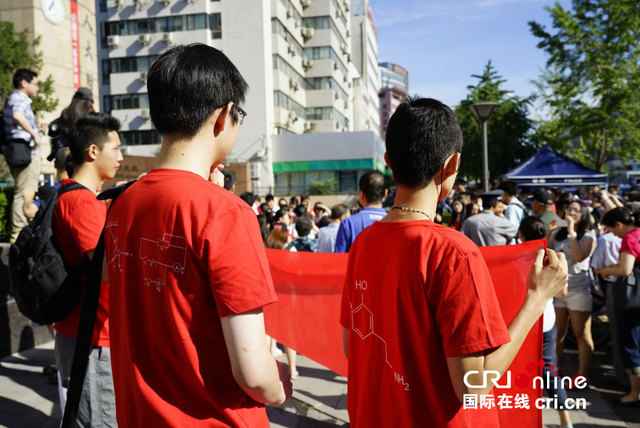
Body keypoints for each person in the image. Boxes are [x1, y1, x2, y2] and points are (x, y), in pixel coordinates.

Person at [340, 97, 568, 427]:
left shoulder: (364, 243)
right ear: (451, 165)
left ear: (389, 161)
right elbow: (472, 389)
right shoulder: (453, 253)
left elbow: (352, 347)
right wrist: (537, 300)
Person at [104, 44, 291, 426]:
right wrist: (280, 384)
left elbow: (115, 280)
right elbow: (254, 374)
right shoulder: (226, 212)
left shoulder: (122, 203)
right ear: (224, 116)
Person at [52, 112, 123, 426]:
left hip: (84, 332)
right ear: (93, 152)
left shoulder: (73, 195)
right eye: (116, 148)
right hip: (92, 337)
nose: (121, 156)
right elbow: (111, 272)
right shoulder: (83, 204)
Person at [518, 216, 573, 428]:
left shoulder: (514, 257)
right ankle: (565, 420)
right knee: (549, 370)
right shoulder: (551, 260)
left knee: (517, 371)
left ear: (521, 234)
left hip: (521, 320)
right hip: (546, 319)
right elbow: (564, 291)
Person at [595, 207, 640, 406]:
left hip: (632, 299)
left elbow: (625, 268)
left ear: (619, 225)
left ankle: (634, 393)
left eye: (612, 230)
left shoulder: (630, 237)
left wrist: (607, 270)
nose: (613, 234)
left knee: (631, 344)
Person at [549, 200, 597, 383]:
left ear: (584, 214)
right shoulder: (557, 233)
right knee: (558, 332)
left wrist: (571, 231)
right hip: (559, 289)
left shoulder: (588, 236)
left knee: (581, 333)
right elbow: (547, 251)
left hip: (579, 289)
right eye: (569, 209)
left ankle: (582, 374)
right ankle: (556, 367)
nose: (571, 213)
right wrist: (548, 232)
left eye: (576, 210)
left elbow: (578, 257)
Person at [4, 69, 45, 242]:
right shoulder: (19, 99)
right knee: (24, 193)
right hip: (26, 152)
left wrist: (37, 129)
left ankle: (19, 232)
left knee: (25, 192)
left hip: (20, 151)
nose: (37, 88)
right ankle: (18, 233)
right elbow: (17, 115)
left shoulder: (14, 99)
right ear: (23, 83)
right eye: (35, 83)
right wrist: (34, 135)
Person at [334, 171, 387, 253]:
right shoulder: (396, 222)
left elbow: (339, 259)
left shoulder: (348, 223)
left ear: (361, 194)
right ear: (385, 194)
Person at [47, 87, 95, 161]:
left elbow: (52, 132)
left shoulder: (64, 115)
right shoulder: (90, 117)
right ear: (89, 103)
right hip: (84, 159)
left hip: (63, 158)